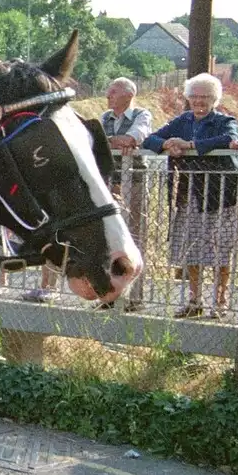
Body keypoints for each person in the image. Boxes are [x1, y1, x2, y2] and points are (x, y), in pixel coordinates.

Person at [143, 73, 238, 319]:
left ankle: (220, 300)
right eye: (194, 96)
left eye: (205, 97)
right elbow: (150, 139)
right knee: (192, 247)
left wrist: (188, 145)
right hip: (189, 194)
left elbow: (227, 138)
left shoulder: (223, 120)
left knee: (220, 248)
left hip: (219, 194)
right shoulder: (182, 120)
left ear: (214, 99)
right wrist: (166, 145)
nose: (199, 102)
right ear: (187, 98)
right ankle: (195, 300)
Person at [98, 77, 154, 311]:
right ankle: (109, 294)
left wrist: (110, 141)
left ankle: (135, 297)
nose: (108, 96)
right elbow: (96, 141)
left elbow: (134, 138)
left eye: (113, 92)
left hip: (134, 182)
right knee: (108, 239)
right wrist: (112, 142)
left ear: (128, 96)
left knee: (134, 235)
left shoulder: (142, 114)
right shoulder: (104, 118)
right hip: (109, 183)